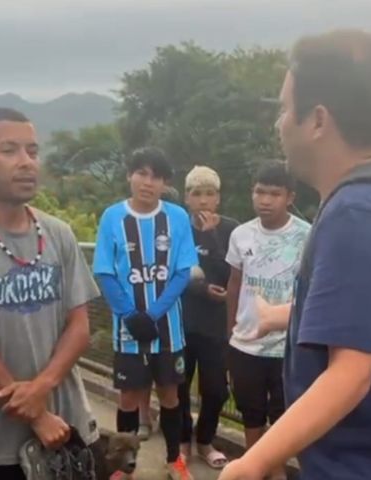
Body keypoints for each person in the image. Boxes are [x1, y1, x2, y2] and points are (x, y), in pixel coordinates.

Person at [221, 29, 371, 479]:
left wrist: (252, 463)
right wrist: (280, 316)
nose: (279, 124)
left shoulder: (355, 215)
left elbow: (350, 375)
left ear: (318, 120)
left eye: (286, 108)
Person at [0, 107, 102, 480]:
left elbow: (79, 325)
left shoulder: (58, 233)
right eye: (9, 150)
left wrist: (43, 387)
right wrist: (35, 414)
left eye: (32, 152)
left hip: (67, 431)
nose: (26, 162)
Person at [93, 147, 198, 480]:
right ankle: (123, 467)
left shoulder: (176, 217)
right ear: (129, 175)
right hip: (128, 330)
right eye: (141, 173)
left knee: (170, 395)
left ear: (165, 183)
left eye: (156, 176)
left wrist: (151, 314)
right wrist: (130, 315)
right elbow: (104, 272)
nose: (148, 182)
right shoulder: (112, 217)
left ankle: (174, 460)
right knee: (128, 398)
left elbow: (182, 272)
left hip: (168, 329)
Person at [224, 162, 309, 480]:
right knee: (251, 411)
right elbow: (235, 284)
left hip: (288, 345)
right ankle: (253, 468)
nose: (265, 200)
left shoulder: (307, 236)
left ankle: (276, 471)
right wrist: (230, 332)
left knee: (284, 413)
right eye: (260, 192)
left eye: (274, 194)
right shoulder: (240, 234)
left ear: (290, 197)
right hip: (245, 343)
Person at [177, 166, 237, 468]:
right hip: (182, 322)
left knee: (216, 390)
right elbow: (171, 273)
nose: (203, 200)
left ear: (218, 198)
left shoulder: (231, 230)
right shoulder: (177, 228)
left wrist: (212, 236)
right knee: (178, 386)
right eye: (197, 194)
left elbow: (231, 274)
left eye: (209, 194)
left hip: (216, 325)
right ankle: (181, 442)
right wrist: (201, 289)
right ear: (187, 197)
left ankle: (204, 441)